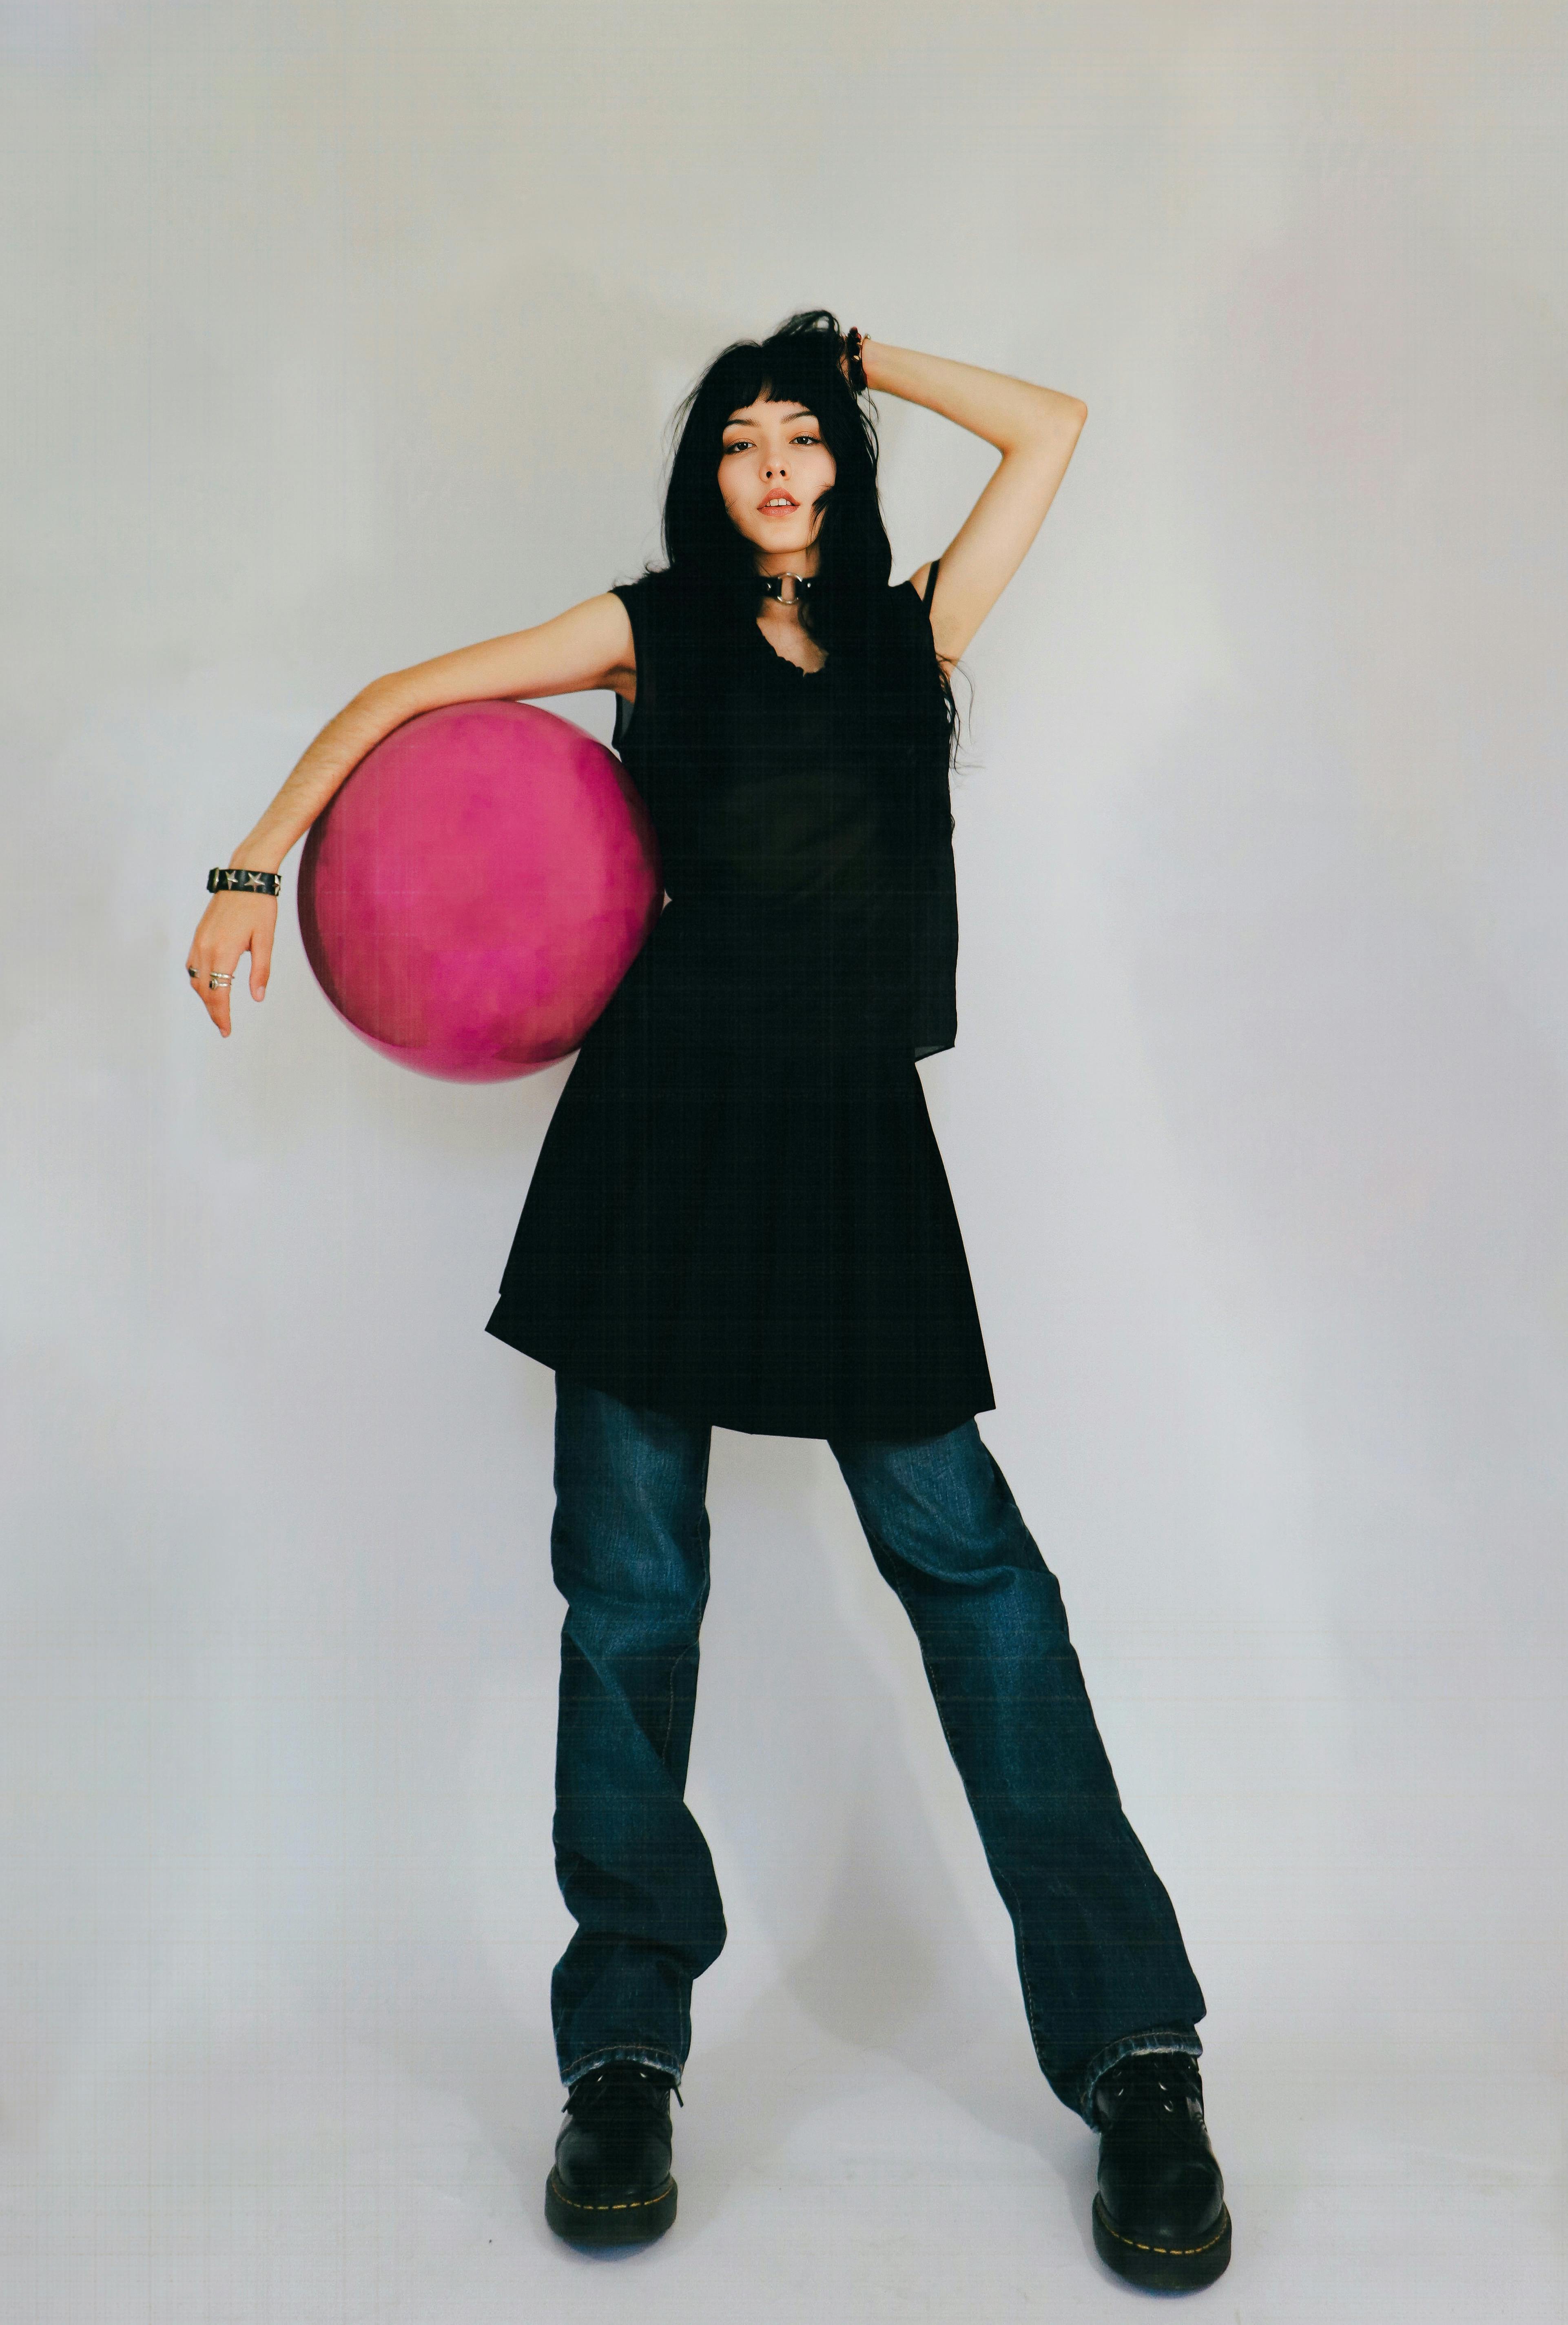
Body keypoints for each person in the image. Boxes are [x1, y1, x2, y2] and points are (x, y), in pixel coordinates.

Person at [186, 312, 1231, 2292]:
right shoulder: (648, 628)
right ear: (709, 476)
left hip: (849, 1152)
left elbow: (1058, 427)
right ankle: (624, 2059)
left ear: (839, 466)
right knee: (634, 1592)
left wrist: (875, 355)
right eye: (746, 439)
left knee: (978, 1575)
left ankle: (1136, 2051)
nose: (775, 465)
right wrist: (256, 864)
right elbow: (406, 692)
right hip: (657, 1143)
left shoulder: (920, 633)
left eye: (803, 438)